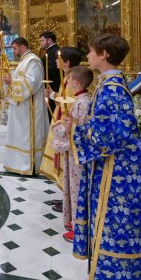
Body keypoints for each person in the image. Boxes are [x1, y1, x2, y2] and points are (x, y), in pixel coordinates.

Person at [63, 34, 141, 280]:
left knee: (118, 228)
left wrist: (77, 129)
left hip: (119, 174)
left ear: (105, 55)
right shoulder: (110, 85)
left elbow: (110, 136)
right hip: (117, 170)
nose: (87, 56)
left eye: (91, 52)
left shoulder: (111, 89)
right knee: (112, 226)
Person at [51, 65, 92, 243]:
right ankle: (74, 221)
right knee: (72, 188)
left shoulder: (83, 103)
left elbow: (80, 129)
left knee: (77, 190)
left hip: (78, 155)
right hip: (73, 154)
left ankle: (79, 227)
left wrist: (65, 127)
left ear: (75, 82)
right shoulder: (81, 100)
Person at [39, 46, 82, 204]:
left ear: (67, 62)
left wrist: (52, 95)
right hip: (60, 120)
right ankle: (65, 197)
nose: (56, 61)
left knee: (65, 161)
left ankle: (68, 199)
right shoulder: (68, 76)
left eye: (59, 58)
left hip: (65, 125)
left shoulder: (71, 79)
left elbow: (68, 103)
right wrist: (52, 94)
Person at [3, 37, 49, 175]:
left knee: (26, 135)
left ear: (22, 47)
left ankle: (29, 165)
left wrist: (12, 82)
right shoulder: (25, 60)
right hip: (22, 106)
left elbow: (31, 83)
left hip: (30, 107)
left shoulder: (33, 61)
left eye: (15, 48)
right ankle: (17, 163)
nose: (14, 51)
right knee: (19, 134)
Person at [39, 31, 59, 118]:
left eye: (42, 40)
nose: (40, 43)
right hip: (51, 87)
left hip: (52, 87)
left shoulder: (53, 52)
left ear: (49, 40)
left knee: (52, 113)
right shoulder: (51, 51)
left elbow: (52, 70)